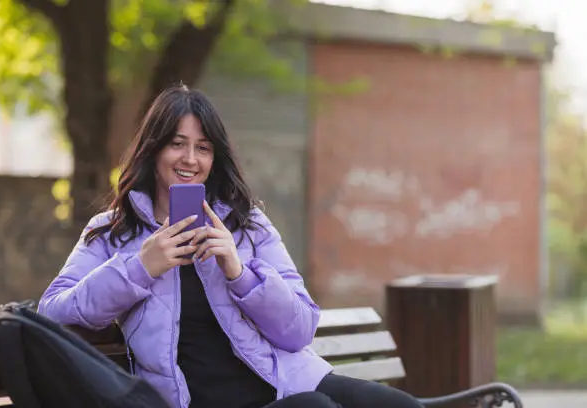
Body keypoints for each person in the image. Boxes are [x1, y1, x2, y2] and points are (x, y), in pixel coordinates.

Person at [37, 84, 424, 408]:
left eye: (203, 147)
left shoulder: (247, 223)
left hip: (284, 385)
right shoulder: (113, 231)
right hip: (203, 401)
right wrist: (141, 266)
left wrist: (239, 273)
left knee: (399, 406)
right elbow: (52, 313)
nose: (190, 159)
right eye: (177, 143)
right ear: (153, 151)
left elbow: (301, 328)